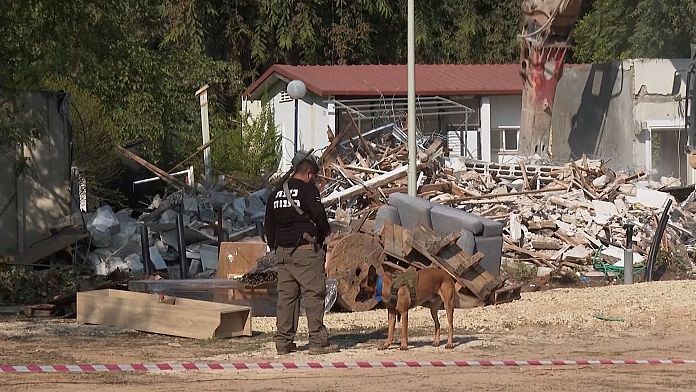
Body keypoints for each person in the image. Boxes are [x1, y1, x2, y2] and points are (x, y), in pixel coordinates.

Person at [264, 150, 338, 355]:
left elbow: (269, 226)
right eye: (314, 175)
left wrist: (275, 247)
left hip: (283, 253)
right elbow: (319, 215)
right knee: (314, 295)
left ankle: (283, 343)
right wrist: (325, 234)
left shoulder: (275, 194)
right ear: (308, 173)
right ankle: (317, 342)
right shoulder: (308, 191)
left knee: (286, 298)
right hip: (306, 251)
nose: (314, 179)